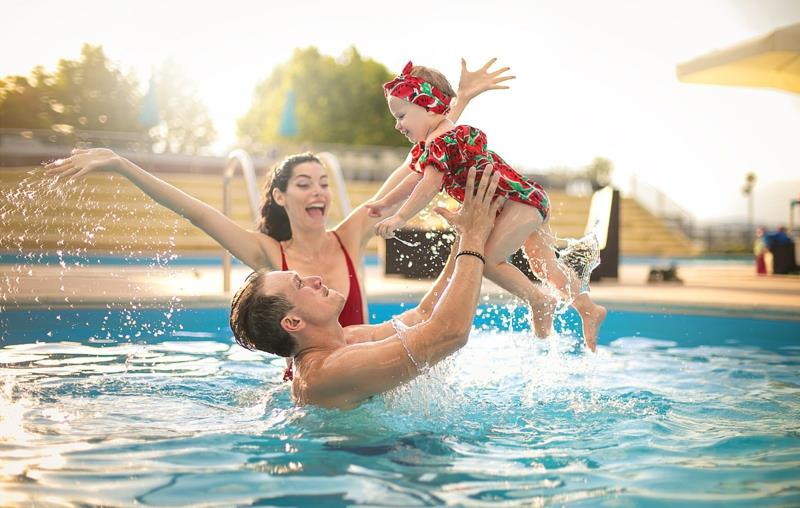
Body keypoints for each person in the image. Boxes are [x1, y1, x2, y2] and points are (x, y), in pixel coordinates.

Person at [43, 57, 513, 377]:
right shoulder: (271, 257)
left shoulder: (349, 237)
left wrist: (458, 105)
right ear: (281, 197)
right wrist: (124, 165)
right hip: (340, 379)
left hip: (369, 361)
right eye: (305, 184)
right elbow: (196, 211)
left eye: (324, 183)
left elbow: (419, 158)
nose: (320, 192)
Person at [365, 61, 605, 350]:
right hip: (525, 200)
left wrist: (400, 217)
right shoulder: (436, 141)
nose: (397, 124)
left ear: (428, 107)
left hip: (517, 203)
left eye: (401, 115)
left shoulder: (442, 142)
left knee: (487, 261)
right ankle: (587, 307)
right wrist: (384, 202)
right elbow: (415, 176)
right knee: (544, 266)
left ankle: (539, 301)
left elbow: (427, 186)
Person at [230, 167, 502, 409]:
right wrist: (474, 239)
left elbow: (423, 316)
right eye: (300, 284)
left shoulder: (347, 340)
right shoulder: (328, 372)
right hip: (368, 459)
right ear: (292, 321)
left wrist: (465, 234)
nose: (315, 280)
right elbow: (448, 335)